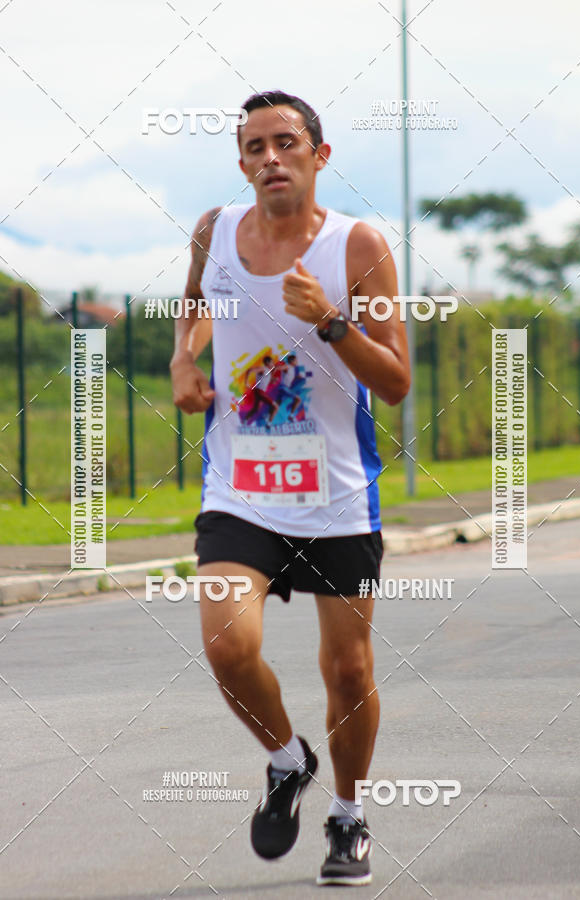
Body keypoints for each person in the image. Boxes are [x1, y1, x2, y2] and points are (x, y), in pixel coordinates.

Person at [170, 89, 410, 887]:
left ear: (319, 154)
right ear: (241, 162)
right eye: (253, 147)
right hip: (240, 489)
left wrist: (333, 324)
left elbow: (399, 380)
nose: (268, 158)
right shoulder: (215, 231)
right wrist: (183, 358)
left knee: (347, 671)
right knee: (227, 647)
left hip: (338, 497)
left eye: (285, 143)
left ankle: (349, 817)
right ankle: (285, 760)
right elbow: (197, 300)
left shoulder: (358, 247)